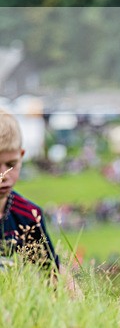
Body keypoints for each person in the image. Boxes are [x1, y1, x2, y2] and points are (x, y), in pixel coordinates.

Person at [0, 110, 60, 272]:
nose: (3, 176)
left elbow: (51, 273)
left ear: (21, 156)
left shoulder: (28, 216)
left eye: (11, 164)